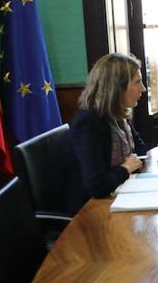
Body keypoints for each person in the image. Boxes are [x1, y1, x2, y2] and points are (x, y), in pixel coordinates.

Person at [64, 53, 147, 215]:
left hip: (116, 197)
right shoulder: (89, 123)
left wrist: (130, 164)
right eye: (137, 82)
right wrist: (126, 168)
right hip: (88, 211)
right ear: (117, 87)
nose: (143, 88)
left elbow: (140, 148)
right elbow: (96, 185)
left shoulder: (117, 114)